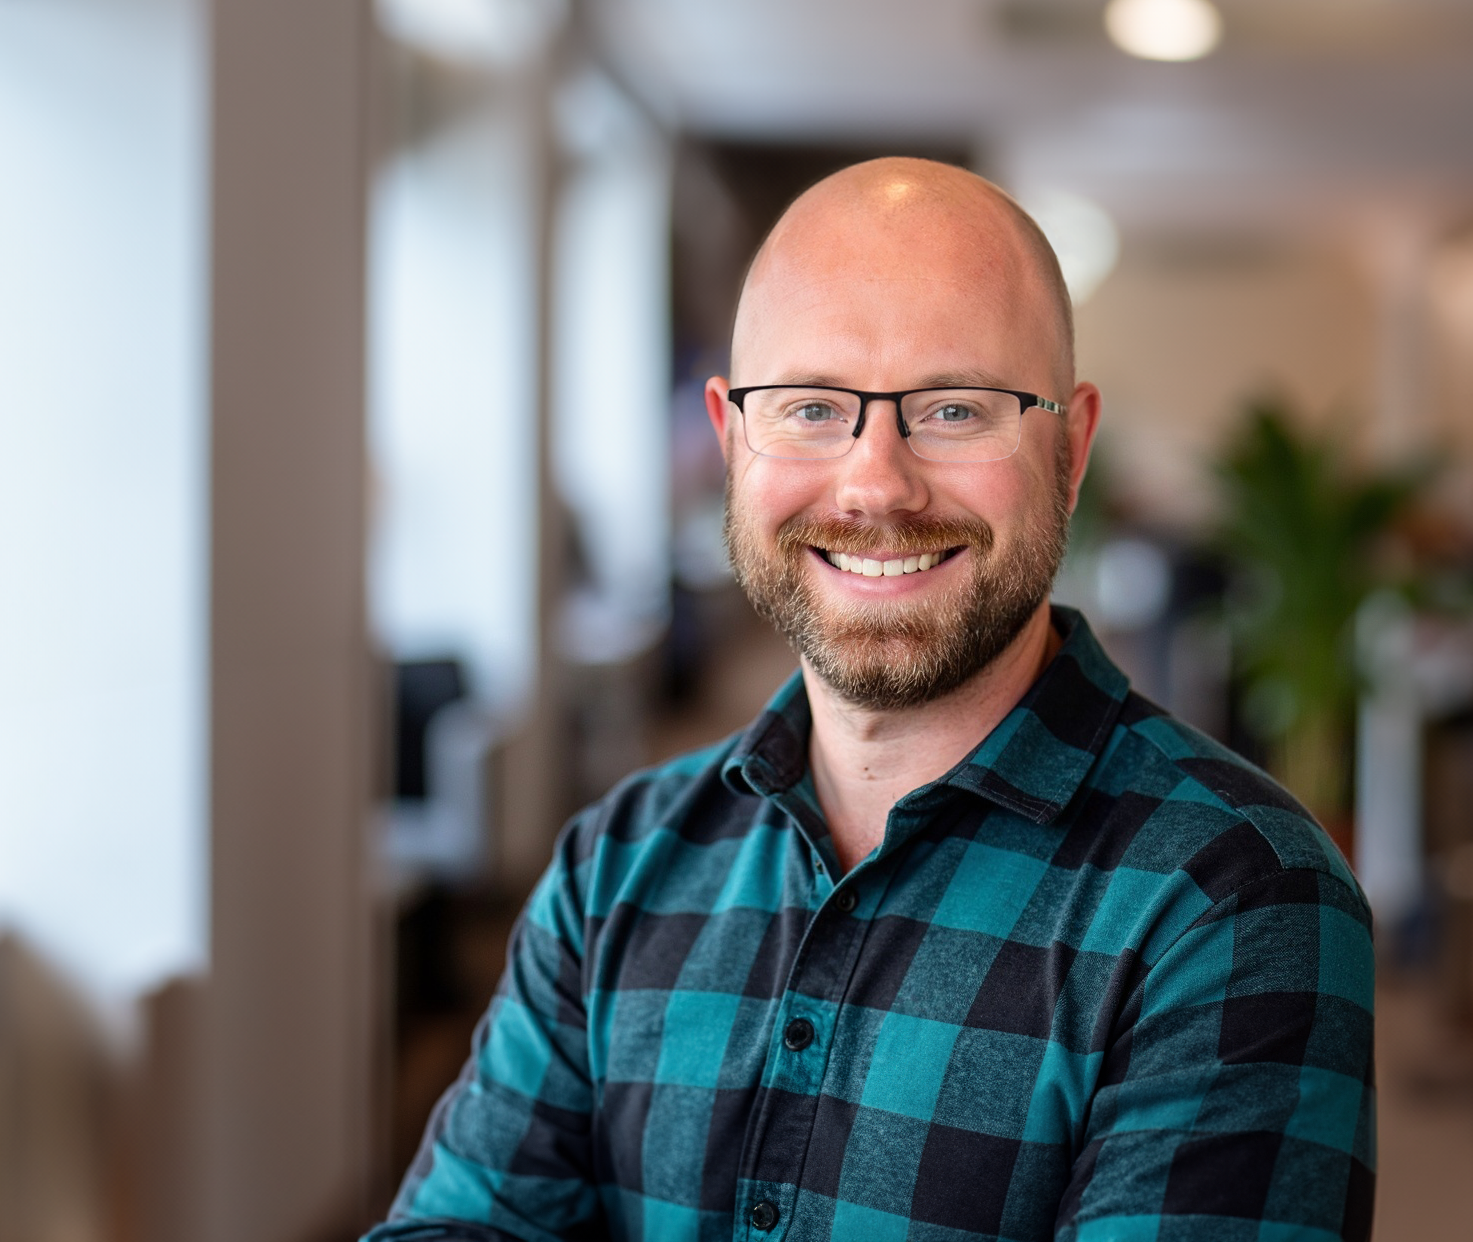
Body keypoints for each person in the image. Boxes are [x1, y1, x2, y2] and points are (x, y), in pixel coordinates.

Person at [368, 158, 1374, 1242]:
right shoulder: (614, 867)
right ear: (731, 440)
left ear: (1071, 449)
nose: (875, 486)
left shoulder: (1236, 901)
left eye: (953, 408)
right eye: (809, 407)